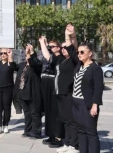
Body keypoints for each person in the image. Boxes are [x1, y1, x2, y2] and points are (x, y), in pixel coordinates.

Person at [72, 43, 103, 153]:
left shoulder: (95, 68)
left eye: (82, 52)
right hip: (75, 103)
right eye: (78, 52)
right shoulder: (79, 66)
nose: (79, 54)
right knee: (80, 131)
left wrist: (95, 105)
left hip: (87, 104)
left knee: (91, 132)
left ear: (90, 54)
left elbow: (98, 89)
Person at [54, 24, 80, 153]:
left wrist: (69, 35)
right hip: (60, 94)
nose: (64, 49)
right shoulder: (62, 60)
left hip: (69, 93)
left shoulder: (74, 60)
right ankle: (68, 142)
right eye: (62, 48)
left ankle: (74, 145)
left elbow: (72, 47)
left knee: (71, 120)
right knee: (65, 120)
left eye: (65, 48)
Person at [39, 36, 65, 148]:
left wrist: (42, 43)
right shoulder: (55, 56)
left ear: (59, 48)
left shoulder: (61, 58)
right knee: (49, 112)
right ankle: (50, 135)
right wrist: (44, 44)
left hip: (58, 88)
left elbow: (47, 56)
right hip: (51, 87)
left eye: (52, 46)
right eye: (49, 46)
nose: (50, 48)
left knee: (56, 113)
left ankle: (58, 138)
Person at [13, 44, 42, 139]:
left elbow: (34, 62)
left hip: (33, 93)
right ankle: (28, 130)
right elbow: (13, 67)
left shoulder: (37, 65)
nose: (27, 57)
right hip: (23, 93)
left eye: (29, 56)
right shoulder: (23, 65)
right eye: (26, 56)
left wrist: (31, 52)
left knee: (34, 113)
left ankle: (36, 132)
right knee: (27, 113)